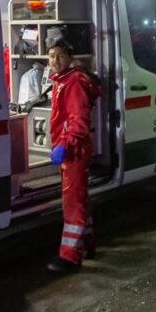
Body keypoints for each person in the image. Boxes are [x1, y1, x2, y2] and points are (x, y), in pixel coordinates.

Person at [46, 38, 102, 272]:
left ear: (69, 58)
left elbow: (78, 122)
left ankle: (70, 256)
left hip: (74, 150)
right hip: (70, 149)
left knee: (72, 202)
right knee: (79, 198)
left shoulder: (74, 82)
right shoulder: (62, 81)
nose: (55, 61)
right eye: (51, 56)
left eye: (60, 56)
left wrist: (64, 145)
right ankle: (87, 243)